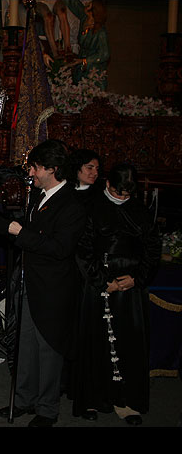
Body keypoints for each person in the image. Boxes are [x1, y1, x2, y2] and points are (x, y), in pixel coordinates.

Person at [0, 139, 86, 427]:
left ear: (52, 169)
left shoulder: (72, 203)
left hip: (53, 289)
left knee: (48, 348)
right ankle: (23, 399)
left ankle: (47, 408)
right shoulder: (39, 195)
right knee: (25, 344)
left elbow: (60, 247)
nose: (30, 173)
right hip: (28, 283)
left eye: (35, 168)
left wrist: (20, 233)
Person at [71, 163, 160, 425]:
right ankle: (92, 399)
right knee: (94, 342)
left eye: (127, 194)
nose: (122, 198)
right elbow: (83, 249)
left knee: (129, 343)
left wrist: (136, 279)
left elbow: (153, 249)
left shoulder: (141, 211)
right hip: (99, 285)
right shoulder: (91, 207)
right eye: (118, 192)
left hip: (130, 288)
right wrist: (102, 281)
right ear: (108, 184)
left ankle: (126, 400)